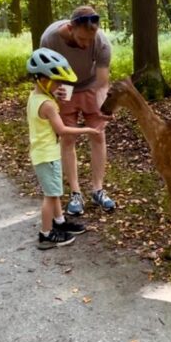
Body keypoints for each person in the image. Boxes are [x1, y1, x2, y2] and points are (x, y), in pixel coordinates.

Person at [40, 5, 115, 214]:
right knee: (68, 138)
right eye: (82, 39)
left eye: (90, 40)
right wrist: (53, 91)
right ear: (70, 27)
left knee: (98, 135)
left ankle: (98, 189)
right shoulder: (50, 39)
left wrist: (104, 108)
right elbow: (43, 72)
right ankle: (75, 193)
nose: (86, 45)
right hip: (64, 85)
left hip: (91, 85)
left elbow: (102, 82)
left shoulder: (101, 43)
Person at [26, 47, 103, 249]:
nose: (61, 86)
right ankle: (46, 234)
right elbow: (62, 130)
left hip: (43, 153)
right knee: (50, 196)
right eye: (57, 82)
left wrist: (58, 95)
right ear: (44, 80)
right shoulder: (48, 105)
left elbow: (50, 105)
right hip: (47, 155)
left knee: (55, 191)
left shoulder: (36, 97)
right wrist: (87, 129)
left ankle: (59, 223)